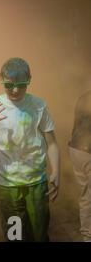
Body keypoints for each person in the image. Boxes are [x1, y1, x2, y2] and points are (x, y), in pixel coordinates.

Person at [0, 57, 60, 242]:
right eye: (9, 85)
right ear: (1, 79)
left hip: (36, 183)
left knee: (39, 236)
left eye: (21, 85)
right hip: (5, 186)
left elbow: (51, 142)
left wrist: (56, 171)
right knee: (15, 237)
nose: (15, 90)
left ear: (29, 79)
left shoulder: (38, 105)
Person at [68, 90, 91, 241]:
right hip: (87, 151)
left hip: (76, 149)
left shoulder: (84, 96)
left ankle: (87, 236)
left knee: (86, 196)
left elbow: (76, 124)